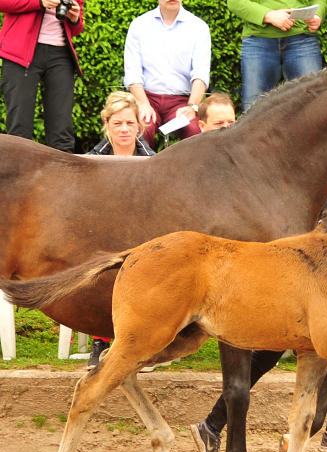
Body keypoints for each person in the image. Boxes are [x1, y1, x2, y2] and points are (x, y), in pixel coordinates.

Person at [191, 158, 327, 452]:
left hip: (319, 277)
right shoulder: (298, 168)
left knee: (324, 360)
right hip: (296, 279)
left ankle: (214, 426)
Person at [85, 91, 155, 370]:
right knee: (102, 266)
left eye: (129, 123)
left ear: (139, 125)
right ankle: (102, 340)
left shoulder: (155, 160)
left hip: (143, 235)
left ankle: (143, 343)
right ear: (106, 124)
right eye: (117, 123)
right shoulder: (90, 161)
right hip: (102, 233)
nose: (124, 129)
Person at [123, 0, 211, 149]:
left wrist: (192, 106)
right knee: (139, 131)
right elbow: (133, 72)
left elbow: (200, 74)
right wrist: (143, 104)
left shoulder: (199, 27)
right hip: (146, 98)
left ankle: (189, 173)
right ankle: (140, 172)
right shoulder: (139, 25)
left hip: (182, 101)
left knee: (196, 131)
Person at [0, 0, 84, 153]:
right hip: (20, 53)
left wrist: (75, 19)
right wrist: (39, 2)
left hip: (61, 55)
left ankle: (62, 176)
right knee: (19, 129)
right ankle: (18, 175)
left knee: (62, 133)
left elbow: (77, 28)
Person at [227, 0, 327, 111]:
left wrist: (317, 15)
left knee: (313, 104)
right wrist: (268, 15)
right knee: (253, 109)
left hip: (302, 39)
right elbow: (234, 2)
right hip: (258, 41)